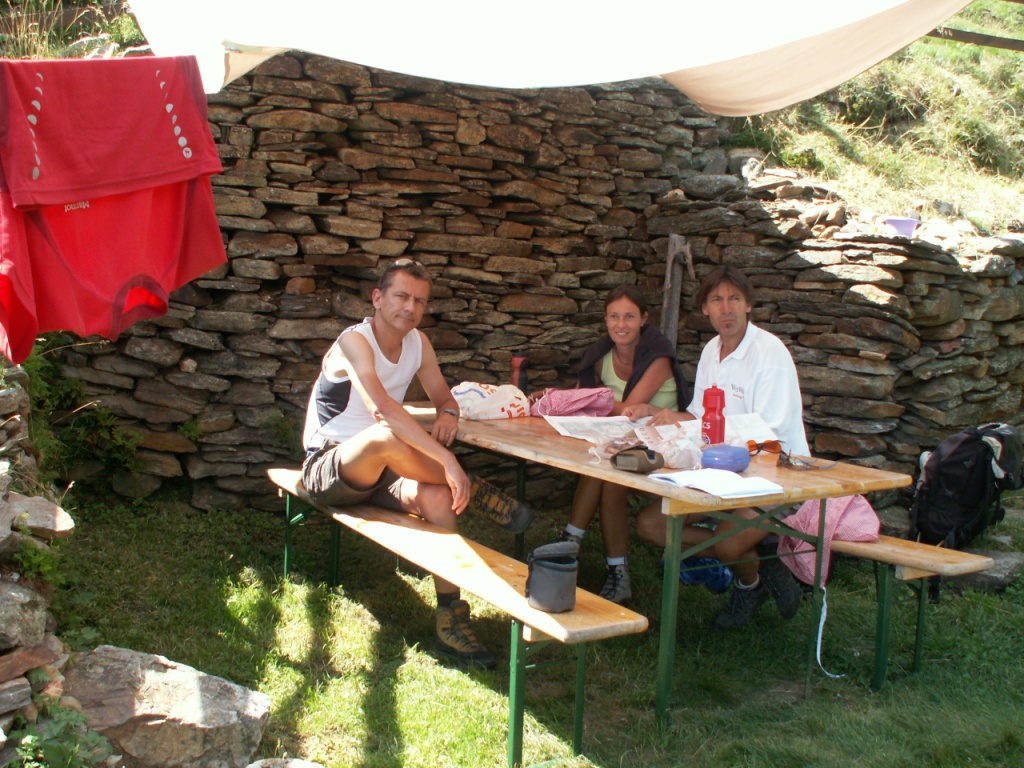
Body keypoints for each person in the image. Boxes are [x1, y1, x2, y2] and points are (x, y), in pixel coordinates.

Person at [301, 258, 533, 667]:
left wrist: (448, 415)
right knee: (385, 438)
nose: (410, 307)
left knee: (439, 498)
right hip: (329, 465)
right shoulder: (354, 342)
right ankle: (475, 487)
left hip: (381, 472)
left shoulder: (418, 343)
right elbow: (383, 411)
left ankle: (450, 618)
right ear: (377, 298)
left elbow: (445, 398)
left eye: (420, 301)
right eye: (401, 296)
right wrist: (447, 460)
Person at [626, 265, 806, 629]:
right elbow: (699, 416)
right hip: (720, 472)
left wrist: (708, 446)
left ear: (748, 305)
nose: (726, 309)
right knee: (651, 525)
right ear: (705, 308)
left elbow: (768, 434)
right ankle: (762, 561)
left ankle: (750, 581)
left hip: (775, 475)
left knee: (727, 543)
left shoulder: (769, 352)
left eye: (734, 299)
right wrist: (660, 415)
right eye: (717, 300)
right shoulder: (712, 350)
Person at [555, 284, 688, 604]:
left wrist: (591, 401)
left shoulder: (658, 357)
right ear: (605, 320)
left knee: (611, 473)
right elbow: (578, 399)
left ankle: (611, 568)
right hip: (624, 441)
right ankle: (571, 545)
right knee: (600, 459)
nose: (621, 324)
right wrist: (569, 399)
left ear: (644, 319)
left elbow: (631, 410)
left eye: (629, 316)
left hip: (666, 446)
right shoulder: (601, 355)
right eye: (614, 317)